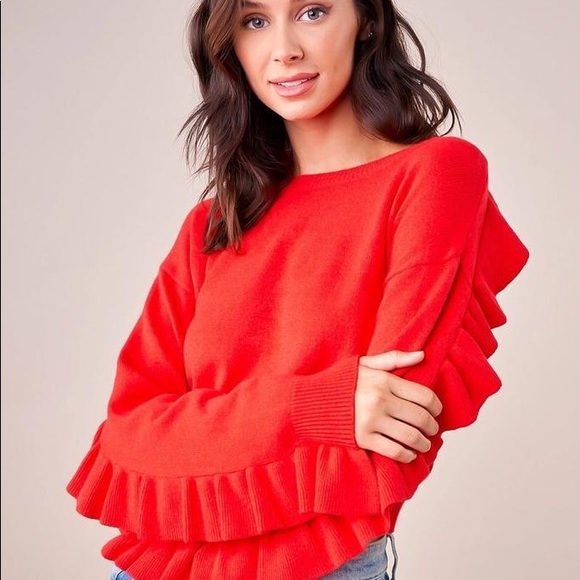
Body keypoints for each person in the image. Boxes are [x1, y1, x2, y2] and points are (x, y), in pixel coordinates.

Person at [67, 0, 529, 578]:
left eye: (312, 12)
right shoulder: (213, 225)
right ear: (230, 45)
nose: (284, 49)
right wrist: (315, 407)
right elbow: (131, 437)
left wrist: (208, 436)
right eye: (255, 21)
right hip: (155, 566)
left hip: (319, 566)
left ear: (366, 20)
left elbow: (392, 423)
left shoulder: (435, 174)